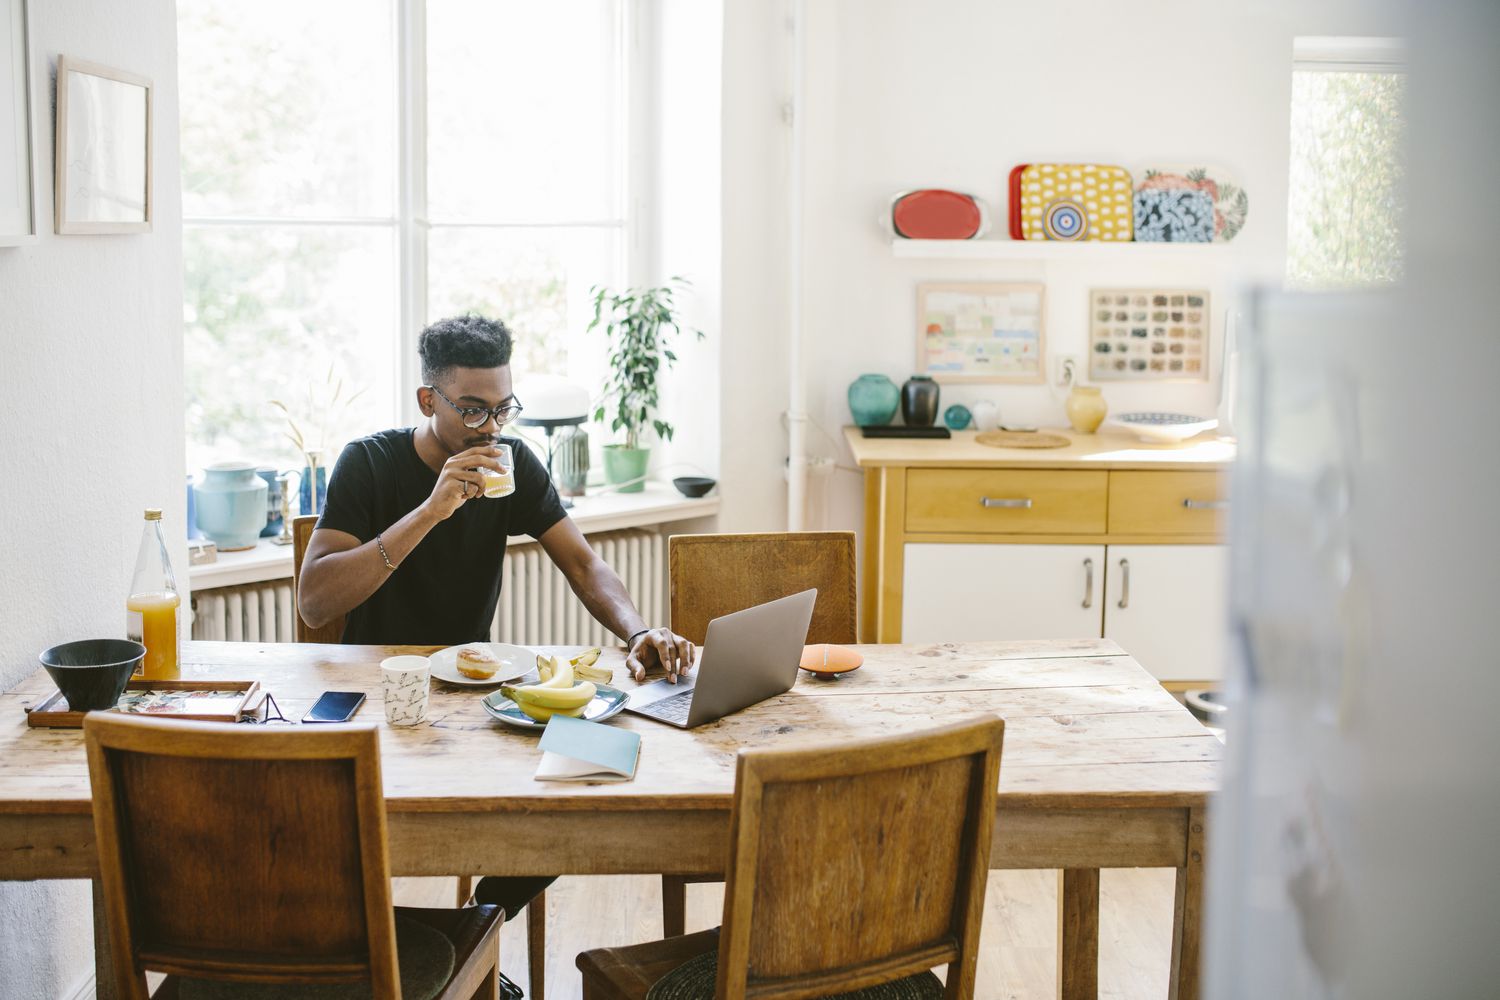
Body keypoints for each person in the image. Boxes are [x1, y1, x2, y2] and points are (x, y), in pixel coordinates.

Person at [297, 313, 695, 989]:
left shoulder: (515, 463)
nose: (490, 427)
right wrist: (431, 510)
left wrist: (636, 630)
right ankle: (412, 958)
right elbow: (314, 599)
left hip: (479, 699)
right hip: (380, 702)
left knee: (596, 776)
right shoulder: (368, 462)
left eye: (502, 407)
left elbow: (583, 564)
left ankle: (477, 925)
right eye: (473, 409)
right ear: (429, 401)